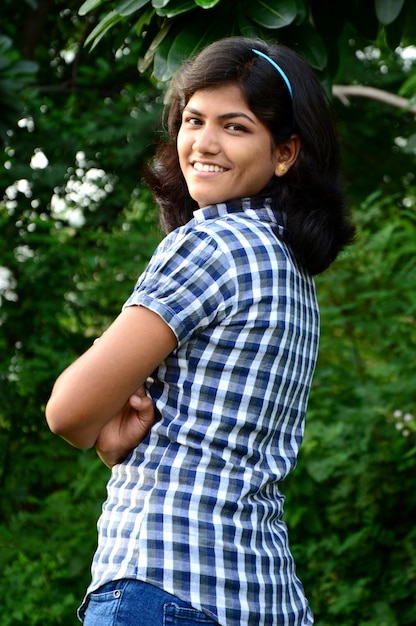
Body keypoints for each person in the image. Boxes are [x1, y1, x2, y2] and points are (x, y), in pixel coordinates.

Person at [45, 36, 355, 626]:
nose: (204, 144)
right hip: (263, 593)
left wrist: (105, 416)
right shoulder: (290, 270)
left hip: (162, 580)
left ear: (285, 152)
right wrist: (118, 439)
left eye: (235, 126)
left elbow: (68, 412)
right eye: (193, 120)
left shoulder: (210, 245)